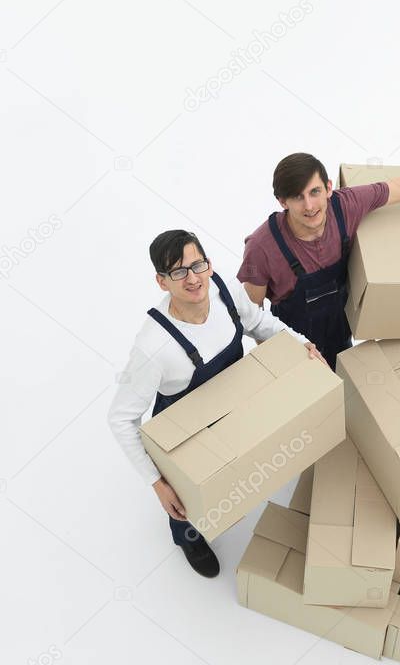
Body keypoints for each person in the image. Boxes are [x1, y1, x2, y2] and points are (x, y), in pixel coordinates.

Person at [107, 230, 319, 578]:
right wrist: (158, 483)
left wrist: (301, 344)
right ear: (162, 282)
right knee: (186, 504)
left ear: (209, 264)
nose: (193, 278)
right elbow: (120, 419)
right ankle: (188, 538)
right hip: (185, 430)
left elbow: (257, 322)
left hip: (232, 403)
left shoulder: (223, 289)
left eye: (197, 265)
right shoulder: (152, 347)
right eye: (178, 272)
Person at [239, 152, 400, 368]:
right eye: (298, 197)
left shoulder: (345, 206)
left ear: (328, 188)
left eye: (314, 192)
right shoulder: (261, 247)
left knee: (343, 381)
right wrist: (280, 365)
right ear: (282, 201)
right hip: (296, 345)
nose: (309, 206)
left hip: (340, 327)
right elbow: (253, 318)